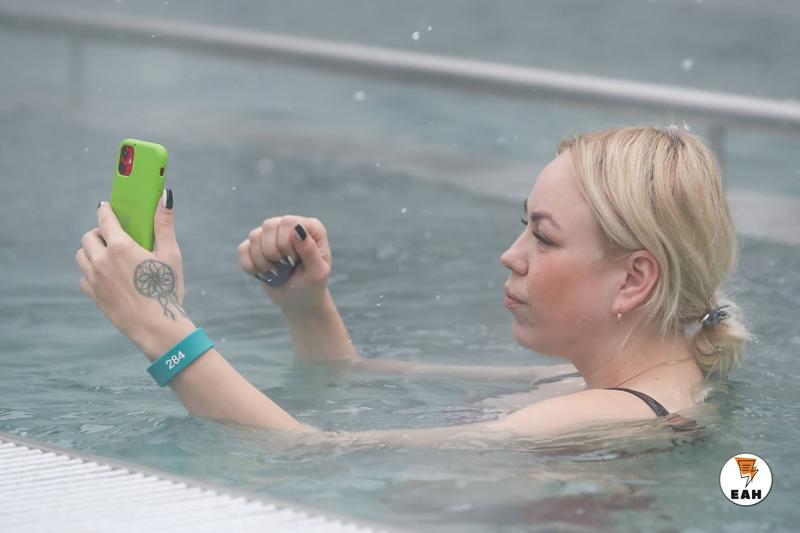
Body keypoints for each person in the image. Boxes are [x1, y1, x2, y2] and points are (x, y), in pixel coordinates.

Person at [74, 126, 751, 445]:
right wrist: (307, 303)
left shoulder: (611, 417)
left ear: (634, 278)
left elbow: (303, 455)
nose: (510, 255)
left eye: (543, 237)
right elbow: (351, 376)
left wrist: (159, 323)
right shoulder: (601, 381)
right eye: (523, 227)